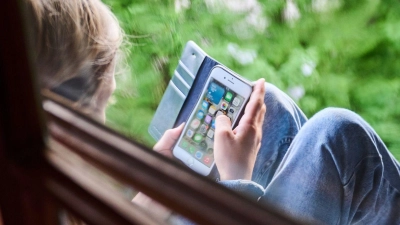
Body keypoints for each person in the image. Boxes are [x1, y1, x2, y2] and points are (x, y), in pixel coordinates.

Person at [27, 0, 400, 224]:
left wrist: (153, 191)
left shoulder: (29, 188)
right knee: (335, 138)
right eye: (100, 107)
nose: (103, 124)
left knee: (269, 115)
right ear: (59, 112)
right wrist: (236, 182)